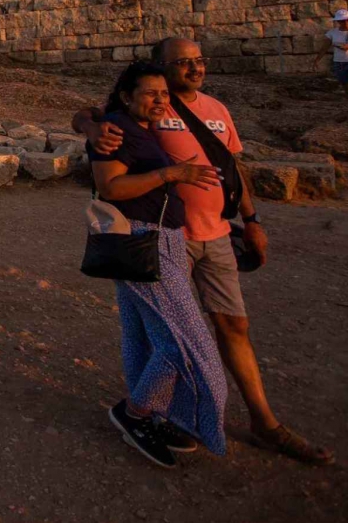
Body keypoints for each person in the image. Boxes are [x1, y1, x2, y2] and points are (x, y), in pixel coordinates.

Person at [75, 38, 334, 465]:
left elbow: (233, 166)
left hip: (212, 235)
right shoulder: (141, 111)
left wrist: (252, 221)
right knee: (170, 337)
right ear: (162, 67)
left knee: (229, 327)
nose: (195, 69)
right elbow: (90, 119)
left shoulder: (213, 109)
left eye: (199, 61)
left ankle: (262, 422)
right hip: (153, 239)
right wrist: (90, 128)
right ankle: (142, 413)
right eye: (183, 63)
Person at [87, 61, 227, 468]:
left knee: (141, 333)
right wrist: (173, 173)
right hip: (144, 240)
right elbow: (110, 185)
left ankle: (150, 413)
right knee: (184, 342)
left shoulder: (134, 126)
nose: (160, 100)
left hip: (151, 238)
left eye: (164, 93)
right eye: (151, 93)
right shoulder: (114, 130)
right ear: (127, 96)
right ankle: (136, 412)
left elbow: (86, 116)